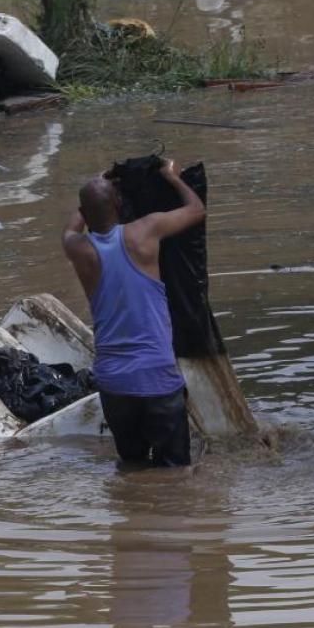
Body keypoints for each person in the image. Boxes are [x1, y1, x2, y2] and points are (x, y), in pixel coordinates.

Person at [62, 158, 206, 467]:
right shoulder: (145, 231)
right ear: (119, 203)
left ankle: (134, 512)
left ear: (85, 214)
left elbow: (73, 224)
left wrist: (97, 181)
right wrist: (172, 177)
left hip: (114, 384)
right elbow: (196, 210)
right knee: (175, 474)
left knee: (133, 467)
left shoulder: (77, 248)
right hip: (158, 377)